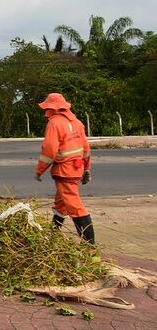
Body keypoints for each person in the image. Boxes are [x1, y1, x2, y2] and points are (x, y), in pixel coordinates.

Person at [35, 93, 94, 244]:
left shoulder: (54, 124)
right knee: (61, 203)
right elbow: (86, 148)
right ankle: (53, 235)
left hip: (64, 170)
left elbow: (49, 149)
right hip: (77, 168)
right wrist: (87, 168)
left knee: (75, 206)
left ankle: (90, 245)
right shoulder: (77, 123)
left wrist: (40, 170)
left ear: (52, 109)